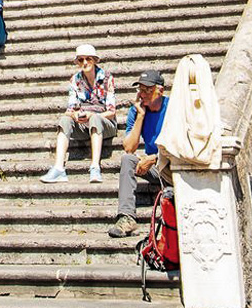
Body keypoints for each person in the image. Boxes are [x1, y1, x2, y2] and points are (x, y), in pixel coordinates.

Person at [41, 45, 118, 184]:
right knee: (64, 120)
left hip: (105, 123)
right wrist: (75, 115)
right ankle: (59, 168)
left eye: (88, 59)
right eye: (81, 60)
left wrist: (91, 115)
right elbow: (70, 108)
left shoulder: (107, 78)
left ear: (94, 60)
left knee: (95, 118)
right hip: (84, 125)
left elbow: (112, 112)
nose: (85, 63)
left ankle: (95, 167)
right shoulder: (75, 80)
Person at [108, 69, 169, 237]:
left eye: (147, 90)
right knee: (128, 159)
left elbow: (182, 145)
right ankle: (127, 218)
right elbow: (129, 147)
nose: (142, 94)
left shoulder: (173, 108)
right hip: (155, 167)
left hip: (173, 164)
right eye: (140, 90)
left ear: (160, 91)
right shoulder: (136, 110)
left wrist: (155, 157)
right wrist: (140, 116)